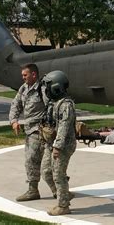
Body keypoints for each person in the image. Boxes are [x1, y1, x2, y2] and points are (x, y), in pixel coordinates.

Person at [9, 63, 56, 201]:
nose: (23, 78)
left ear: (33, 74)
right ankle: (46, 190)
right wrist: (14, 121)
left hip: (40, 130)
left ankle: (43, 190)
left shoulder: (42, 89)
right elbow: (15, 105)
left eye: (25, 75)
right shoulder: (23, 89)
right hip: (30, 131)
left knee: (38, 162)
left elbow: (52, 107)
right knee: (34, 161)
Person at [41, 70, 77, 215]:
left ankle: (63, 206)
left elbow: (64, 127)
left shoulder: (66, 105)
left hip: (63, 146)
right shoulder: (54, 103)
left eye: (48, 86)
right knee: (46, 171)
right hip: (52, 144)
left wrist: (57, 146)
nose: (46, 89)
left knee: (58, 175)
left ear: (56, 87)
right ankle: (64, 194)